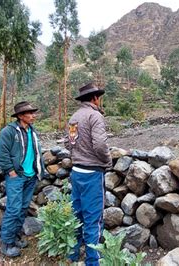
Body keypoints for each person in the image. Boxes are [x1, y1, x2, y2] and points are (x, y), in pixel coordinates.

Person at [67, 83, 112, 266]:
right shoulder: (95, 116)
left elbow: (68, 143)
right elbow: (100, 145)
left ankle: (73, 253)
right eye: (98, 98)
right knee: (93, 218)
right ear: (95, 98)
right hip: (92, 173)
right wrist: (107, 160)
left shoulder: (74, 118)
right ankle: (93, 261)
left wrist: (78, 154)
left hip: (76, 171)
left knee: (77, 215)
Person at [0, 101, 45, 257]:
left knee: (23, 208)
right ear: (21, 116)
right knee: (14, 209)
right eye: (29, 113)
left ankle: (15, 237)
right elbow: (0, 154)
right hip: (17, 176)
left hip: (30, 176)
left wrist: (39, 170)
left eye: (33, 113)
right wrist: (11, 171)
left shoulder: (32, 131)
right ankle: (6, 243)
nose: (33, 115)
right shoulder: (9, 132)